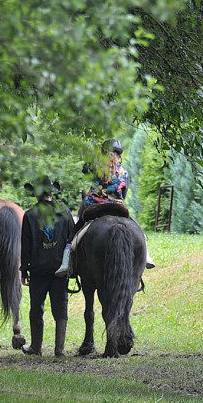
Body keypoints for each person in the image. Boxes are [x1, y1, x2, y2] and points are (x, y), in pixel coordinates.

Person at [55, 138, 154, 276]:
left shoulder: (94, 168)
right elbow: (123, 195)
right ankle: (147, 256)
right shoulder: (124, 172)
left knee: (73, 234)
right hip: (116, 207)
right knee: (137, 229)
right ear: (119, 155)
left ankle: (65, 264)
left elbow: (84, 170)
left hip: (94, 208)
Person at [20, 176, 75, 356]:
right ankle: (59, 349)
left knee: (36, 307)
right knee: (60, 307)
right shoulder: (65, 212)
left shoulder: (29, 215)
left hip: (38, 270)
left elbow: (26, 245)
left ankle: (36, 347)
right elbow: (71, 240)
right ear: (52, 192)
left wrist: (24, 269)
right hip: (60, 269)